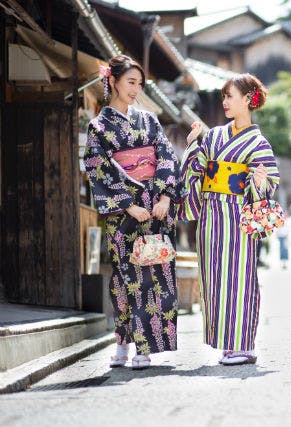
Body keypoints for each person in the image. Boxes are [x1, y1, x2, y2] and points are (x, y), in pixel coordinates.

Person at [84, 55, 183, 369]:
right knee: (126, 277)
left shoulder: (149, 120)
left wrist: (166, 197)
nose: (136, 89)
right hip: (123, 214)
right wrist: (128, 204)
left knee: (155, 275)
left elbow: (166, 155)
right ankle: (124, 342)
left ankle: (144, 347)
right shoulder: (98, 125)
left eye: (139, 84)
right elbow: (97, 167)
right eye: (131, 82)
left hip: (154, 209)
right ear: (112, 81)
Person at [180, 73, 279, 365]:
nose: (224, 102)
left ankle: (243, 343)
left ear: (248, 100)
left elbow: (269, 182)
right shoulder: (213, 136)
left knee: (239, 279)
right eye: (223, 96)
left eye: (229, 96)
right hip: (210, 219)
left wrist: (259, 183)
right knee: (214, 280)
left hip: (237, 220)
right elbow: (197, 171)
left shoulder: (259, 143)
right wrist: (195, 144)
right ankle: (227, 343)